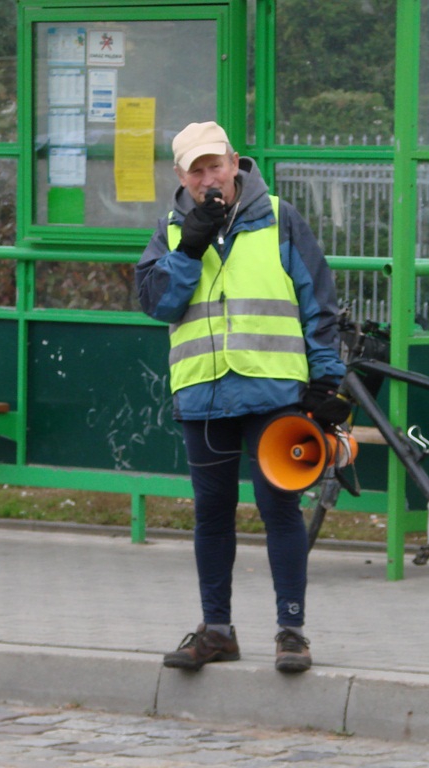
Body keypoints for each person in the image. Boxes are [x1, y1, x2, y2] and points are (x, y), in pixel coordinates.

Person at [135, 121, 348, 674]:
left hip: (273, 390)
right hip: (203, 395)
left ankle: (291, 632)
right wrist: (190, 248)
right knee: (212, 513)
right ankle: (217, 630)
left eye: (216, 166)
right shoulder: (171, 229)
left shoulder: (279, 217)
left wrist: (325, 382)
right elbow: (157, 304)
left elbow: (319, 302)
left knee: (280, 509)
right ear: (180, 176)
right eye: (196, 171)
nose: (209, 179)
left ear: (235, 163)